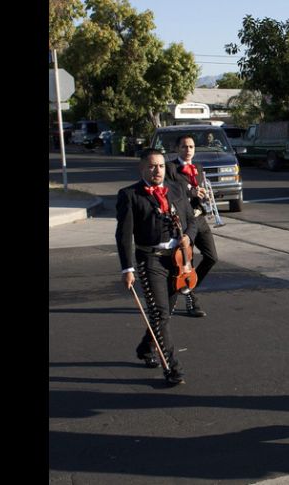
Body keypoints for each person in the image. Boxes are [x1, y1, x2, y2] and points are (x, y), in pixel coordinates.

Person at [115, 148, 197, 385]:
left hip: (178, 260)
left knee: (165, 312)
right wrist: (127, 269)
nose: (157, 171)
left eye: (160, 166)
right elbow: (123, 235)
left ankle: (145, 347)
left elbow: (192, 220)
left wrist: (188, 237)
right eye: (151, 166)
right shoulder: (129, 195)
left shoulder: (177, 188)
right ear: (142, 168)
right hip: (150, 259)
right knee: (160, 313)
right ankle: (172, 367)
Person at [165, 134, 218, 317]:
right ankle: (191, 301)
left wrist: (206, 198)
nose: (188, 150)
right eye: (184, 146)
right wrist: (192, 192)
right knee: (187, 261)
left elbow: (199, 192)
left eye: (191, 147)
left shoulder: (198, 168)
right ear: (177, 149)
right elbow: (170, 191)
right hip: (183, 221)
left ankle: (188, 287)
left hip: (199, 217)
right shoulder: (171, 168)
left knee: (212, 257)